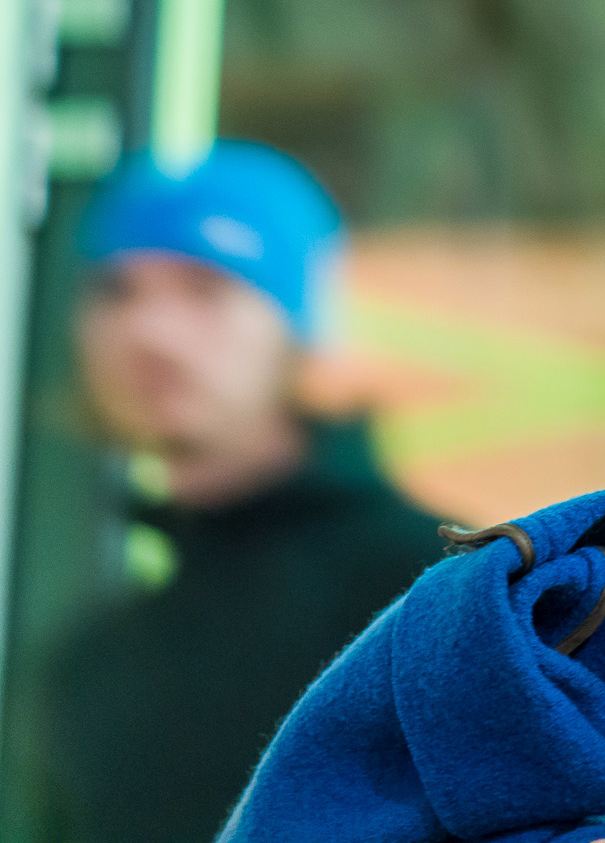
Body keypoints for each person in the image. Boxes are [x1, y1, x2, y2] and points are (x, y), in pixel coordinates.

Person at [36, 141, 445, 843]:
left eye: (206, 287)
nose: (150, 331)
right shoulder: (91, 667)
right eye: (116, 291)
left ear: (300, 330)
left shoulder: (433, 599)